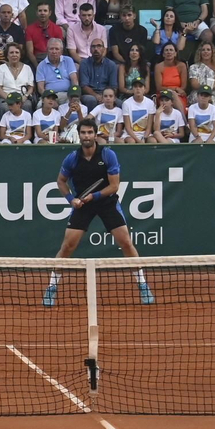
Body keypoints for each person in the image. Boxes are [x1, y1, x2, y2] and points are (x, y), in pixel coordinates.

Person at [44, 119, 153, 307]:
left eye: (90, 132)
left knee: (126, 242)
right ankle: (52, 286)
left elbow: (114, 186)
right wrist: (71, 199)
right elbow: (61, 181)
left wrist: (94, 196)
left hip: (106, 202)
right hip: (82, 205)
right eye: (83, 133)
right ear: (79, 135)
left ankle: (142, 283)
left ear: (95, 134)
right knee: (68, 246)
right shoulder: (72, 158)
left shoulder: (108, 155)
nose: (86, 136)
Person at [189, 41, 215, 119]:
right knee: (199, 98)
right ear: (200, 52)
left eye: (208, 50)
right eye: (203, 50)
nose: (206, 52)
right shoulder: (193, 67)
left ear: (212, 52)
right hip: (198, 92)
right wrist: (204, 90)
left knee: (212, 99)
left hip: (213, 92)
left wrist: (208, 91)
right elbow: (194, 84)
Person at [106, 7, 147, 73]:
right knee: (113, 66)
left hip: (136, 61)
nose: (127, 18)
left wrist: (133, 64)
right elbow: (115, 53)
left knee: (146, 66)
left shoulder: (142, 31)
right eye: (124, 15)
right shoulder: (113, 30)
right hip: (119, 61)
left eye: (129, 15)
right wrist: (126, 63)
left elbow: (141, 52)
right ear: (120, 17)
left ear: (134, 16)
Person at [35, 38, 76, 103]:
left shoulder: (68, 60)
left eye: (57, 49)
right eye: (51, 49)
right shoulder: (41, 65)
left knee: (75, 105)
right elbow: (40, 88)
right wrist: (50, 99)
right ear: (47, 50)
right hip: (50, 96)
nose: (54, 51)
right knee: (41, 105)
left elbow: (74, 80)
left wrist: (74, 95)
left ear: (61, 51)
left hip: (67, 95)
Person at [121, 80, 157, 144]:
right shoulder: (126, 103)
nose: (138, 89)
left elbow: (149, 127)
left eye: (140, 86)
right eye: (135, 86)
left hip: (145, 134)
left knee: (153, 141)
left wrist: (144, 138)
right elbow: (128, 127)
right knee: (131, 142)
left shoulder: (150, 103)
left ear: (144, 89)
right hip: (130, 135)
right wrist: (139, 141)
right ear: (132, 89)